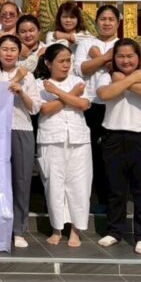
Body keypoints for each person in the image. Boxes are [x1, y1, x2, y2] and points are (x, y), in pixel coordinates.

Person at [96, 39, 141, 255]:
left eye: (130, 56)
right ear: (114, 58)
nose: (125, 60)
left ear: (138, 57)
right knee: (115, 188)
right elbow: (104, 94)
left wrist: (128, 81)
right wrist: (132, 80)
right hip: (114, 137)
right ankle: (114, 231)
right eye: (120, 56)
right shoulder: (106, 76)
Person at [0, 34, 41, 248]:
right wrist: (16, 79)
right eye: (5, 49)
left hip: (21, 129)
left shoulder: (29, 77)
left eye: (13, 50)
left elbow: (35, 108)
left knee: (21, 181)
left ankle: (18, 230)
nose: (8, 53)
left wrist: (21, 91)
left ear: (19, 53)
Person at [36, 44, 92, 248]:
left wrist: (58, 92)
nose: (66, 65)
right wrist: (71, 96)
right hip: (51, 139)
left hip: (78, 139)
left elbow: (83, 105)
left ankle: (76, 230)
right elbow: (45, 109)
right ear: (48, 63)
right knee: (54, 184)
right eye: (61, 61)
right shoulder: (39, 84)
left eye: (68, 60)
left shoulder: (78, 81)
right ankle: (56, 229)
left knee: (80, 184)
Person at [74, 4, 120, 212]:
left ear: (118, 23)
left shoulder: (122, 44)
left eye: (111, 19)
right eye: (103, 19)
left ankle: (112, 200)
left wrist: (98, 59)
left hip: (114, 104)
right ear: (96, 22)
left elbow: (121, 69)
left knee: (111, 154)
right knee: (91, 153)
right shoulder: (86, 44)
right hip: (89, 104)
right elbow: (81, 70)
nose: (107, 23)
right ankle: (95, 200)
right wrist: (104, 57)